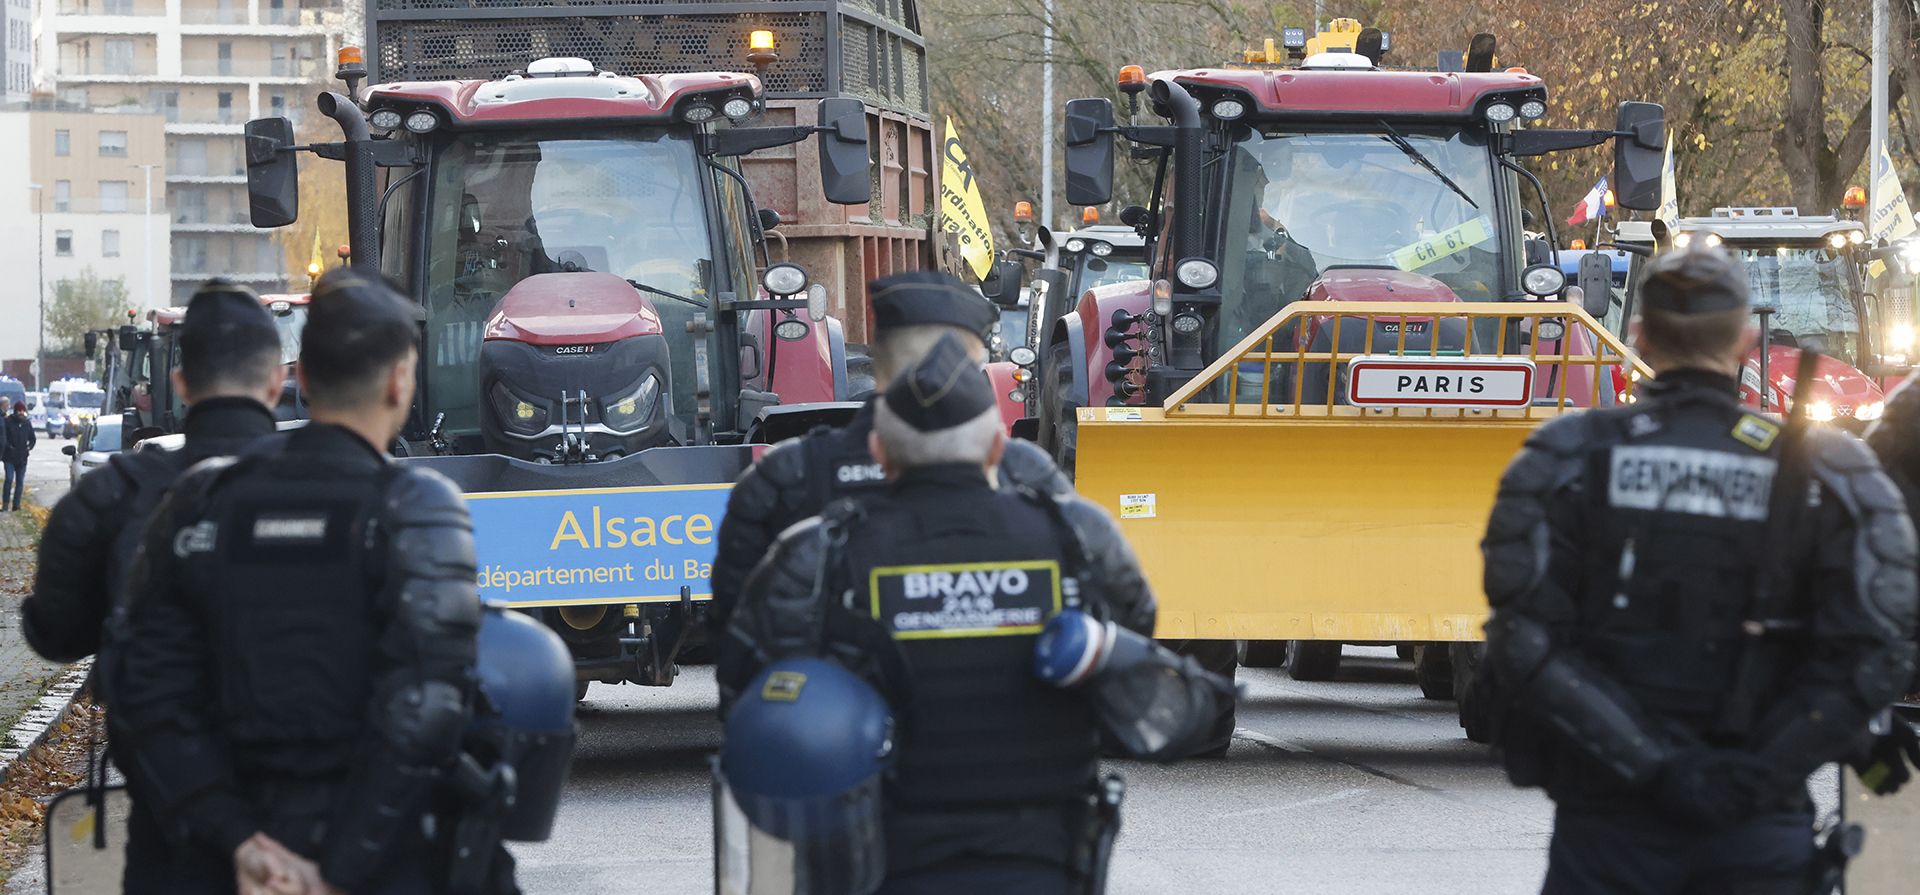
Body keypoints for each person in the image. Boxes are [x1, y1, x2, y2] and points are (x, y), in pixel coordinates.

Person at [1479, 245, 1918, 894]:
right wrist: (1756, 774)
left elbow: (1522, 643)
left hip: (1608, 834)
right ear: (1745, 338)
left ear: (1641, 336)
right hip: (1759, 833)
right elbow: (1877, 651)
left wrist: (1656, 770)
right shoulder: (1829, 471)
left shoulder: (1565, 456)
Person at [719, 335, 1159, 894]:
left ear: (879, 454)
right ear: (998, 450)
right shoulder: (1078, 536)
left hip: (875, 863)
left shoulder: (815, 554)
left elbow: (748, 694)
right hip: (1043, 860)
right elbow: (1135, 640)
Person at [111, 270, 492, 894]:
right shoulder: (417, 508)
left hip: (218, 861)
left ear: (300, 378)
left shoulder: (200, 498)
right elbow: (425, 708)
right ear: (400, 381)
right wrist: (338, 870)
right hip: (379, 864)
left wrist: (236, 839)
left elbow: (145, 688)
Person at [709, 270, 1070, 640]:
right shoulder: (1029, 474)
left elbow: (736, 631)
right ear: (972, 362)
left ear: (877, 359)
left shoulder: (787, 474)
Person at [24, 279, 284, 664]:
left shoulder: (107, 497)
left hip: (158, 722)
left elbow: (54, 636)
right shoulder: (346, 491)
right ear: (277, 382)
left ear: (181, 384)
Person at [2, 397, 33, 511]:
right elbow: (4, 437)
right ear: (15, 411)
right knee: (9, 479)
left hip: (22, 458)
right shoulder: (8, 421)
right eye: (18, 410)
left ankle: (16, 505)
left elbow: (32, 438)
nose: (20, 412)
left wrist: (29, 447)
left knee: (20, 482)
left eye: (22, 410)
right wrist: (8, 447)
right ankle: (5, 504)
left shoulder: (27, 423)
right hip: (9, 457)